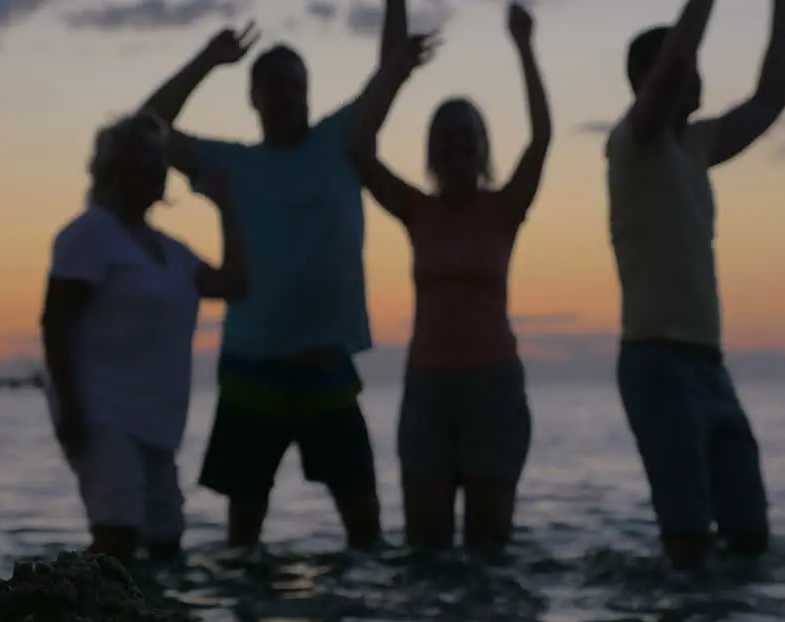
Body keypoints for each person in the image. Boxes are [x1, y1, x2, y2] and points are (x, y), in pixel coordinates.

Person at [135, 8, 408, 550]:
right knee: (243, 533)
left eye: (294, 86)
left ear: (308, 92)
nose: (285, 96)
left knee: (366, 529)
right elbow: (146, 129)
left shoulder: (340, 142)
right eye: (273, 87)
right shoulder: (230, 164)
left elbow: (391, 71)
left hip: (327, 366)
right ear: (253, 99)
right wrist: (210, 60)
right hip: (252, 370)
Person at [349, 2, 551, 550]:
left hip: (493, 386)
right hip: (429, 389)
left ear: (483, 148)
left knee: (489, 551)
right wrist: (394, 71)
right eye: (447, 137)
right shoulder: (418, 211)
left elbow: (541, 139)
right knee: (426, 552)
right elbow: (358, 147)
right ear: (432, 150)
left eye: (468, 137)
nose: (458, 146)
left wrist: (525, 48)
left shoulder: (504, 208)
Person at [605, 0, 785, 570]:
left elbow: (770, 99)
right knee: (686, 542)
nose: (696, 75)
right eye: (681, 69)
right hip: (656, 362)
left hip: (709, 365)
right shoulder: (634, 141)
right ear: (651, 80)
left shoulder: (696, 146)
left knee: (749, 537)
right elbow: (677, 59)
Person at [40, 113, 248, 563]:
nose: (159, 169)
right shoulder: (89, 234)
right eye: (146, 158)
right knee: (117, 534)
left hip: (157, 416)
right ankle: (72, 616)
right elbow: (55, 323)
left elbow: (234, 284)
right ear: (115, 168)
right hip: (102, 410)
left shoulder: (169, 250)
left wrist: (227, 206)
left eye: (160, 159)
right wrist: (71, 408)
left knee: (166, 540)